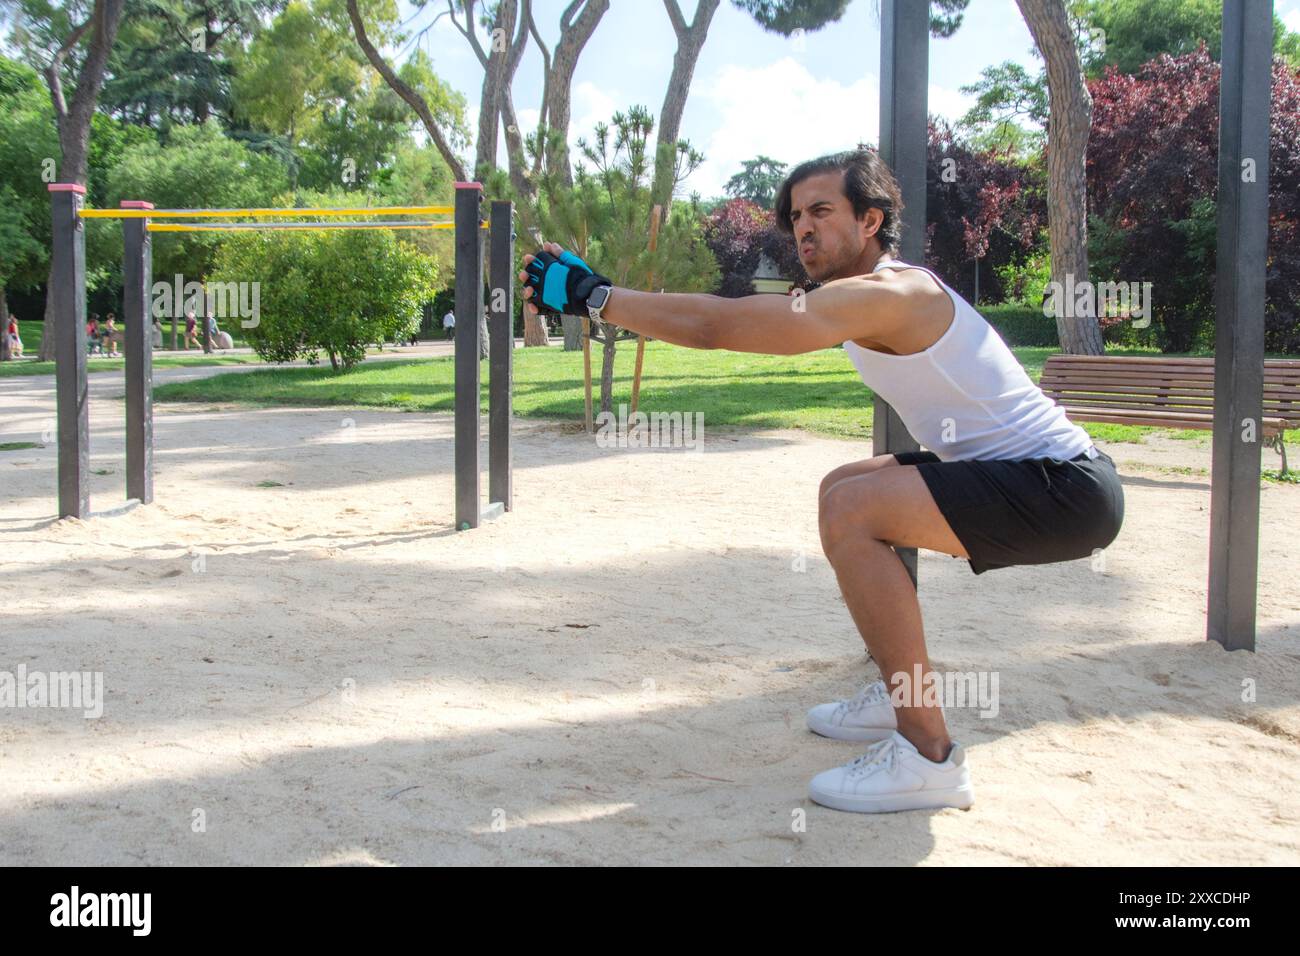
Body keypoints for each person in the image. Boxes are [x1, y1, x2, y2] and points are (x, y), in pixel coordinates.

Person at [519, 148, 1125, 815]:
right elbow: (732, 314)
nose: (802, 229)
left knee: (856, 511)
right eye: (795, 217)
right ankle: (901, 693)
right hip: (1027, 477)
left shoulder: (894, 293)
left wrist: (597, 297)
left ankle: (929, 760)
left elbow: (716, 326)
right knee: (843, 487)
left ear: (871, 220)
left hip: (1067, 490)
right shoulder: (851, 297)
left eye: (822, 211)